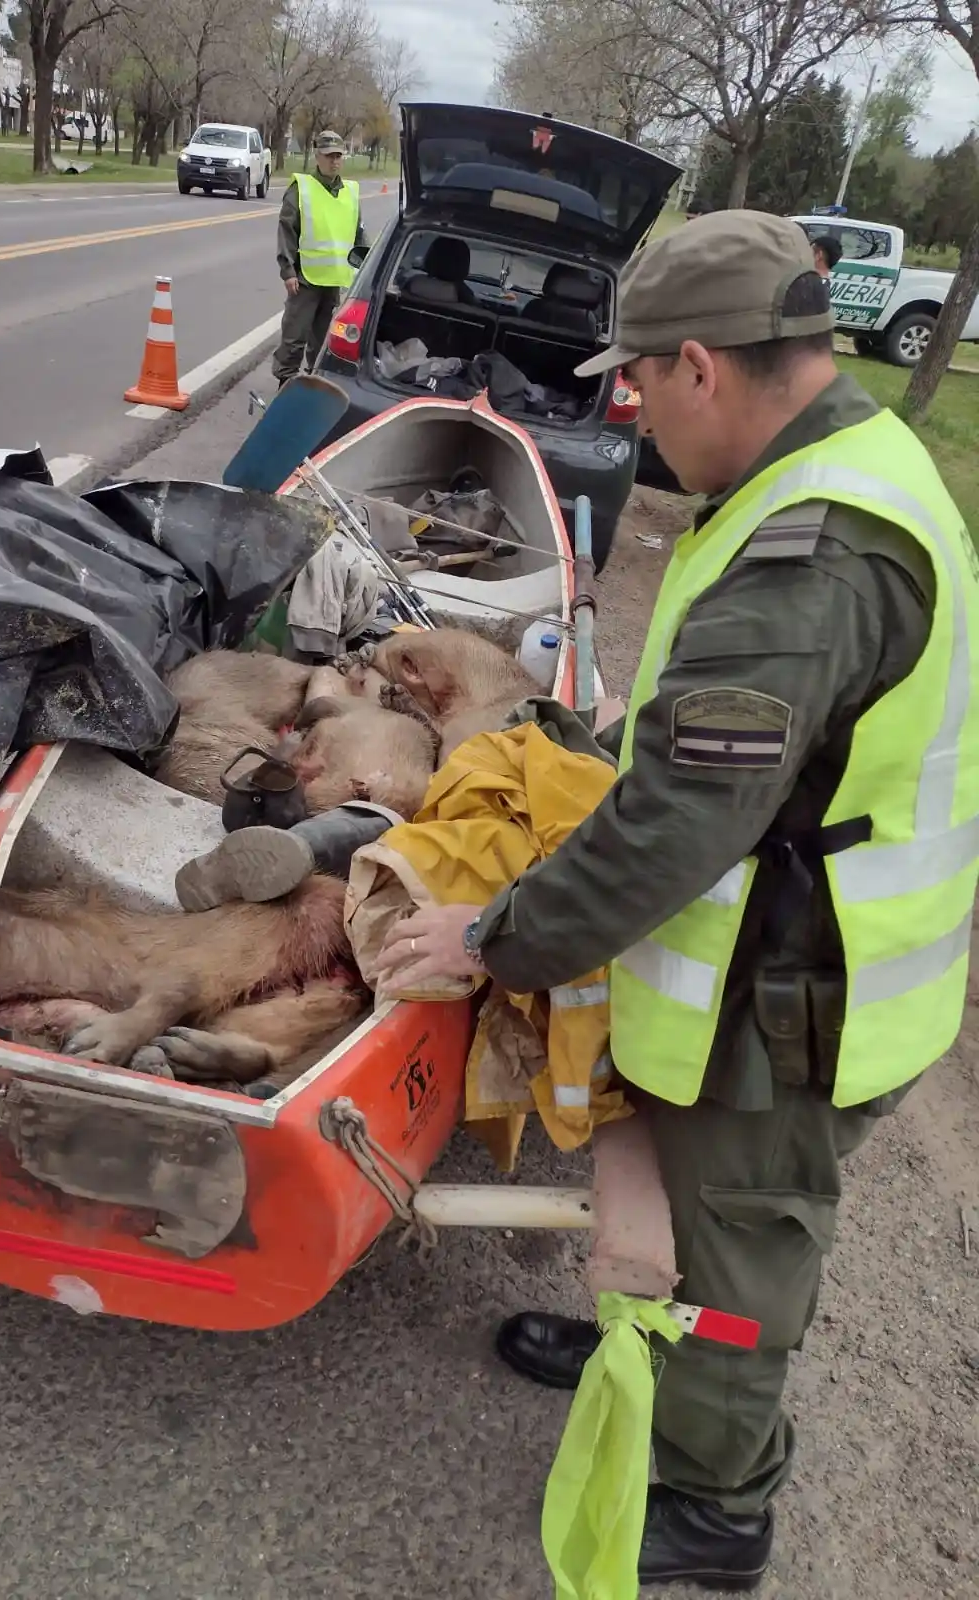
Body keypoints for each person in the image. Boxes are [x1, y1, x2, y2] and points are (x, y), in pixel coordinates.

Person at [373, 210, 979, 1590]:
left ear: (702, 365)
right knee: (704, 1235)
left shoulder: (809, 558)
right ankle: (649, 1352)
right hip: (796, 962)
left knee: (739, 1253)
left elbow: (672, 834)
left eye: (637, 381)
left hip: (794, 1006)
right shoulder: (845, 466)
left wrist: (493, 937)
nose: (630, 411)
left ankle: (716, 1505)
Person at [273, 130, 370, 386]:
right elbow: (287, 230)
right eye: (329, 156)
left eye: (338, 156)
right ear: (317, 156)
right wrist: (288, 270)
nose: (334, 161)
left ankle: (315, 381)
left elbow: (359, 235)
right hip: (305, 279)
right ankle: (285, 380)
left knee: (325, 338)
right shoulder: (302, 189)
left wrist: (367, 271)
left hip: (335, 280)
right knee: (295, 334)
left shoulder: (350, 192)